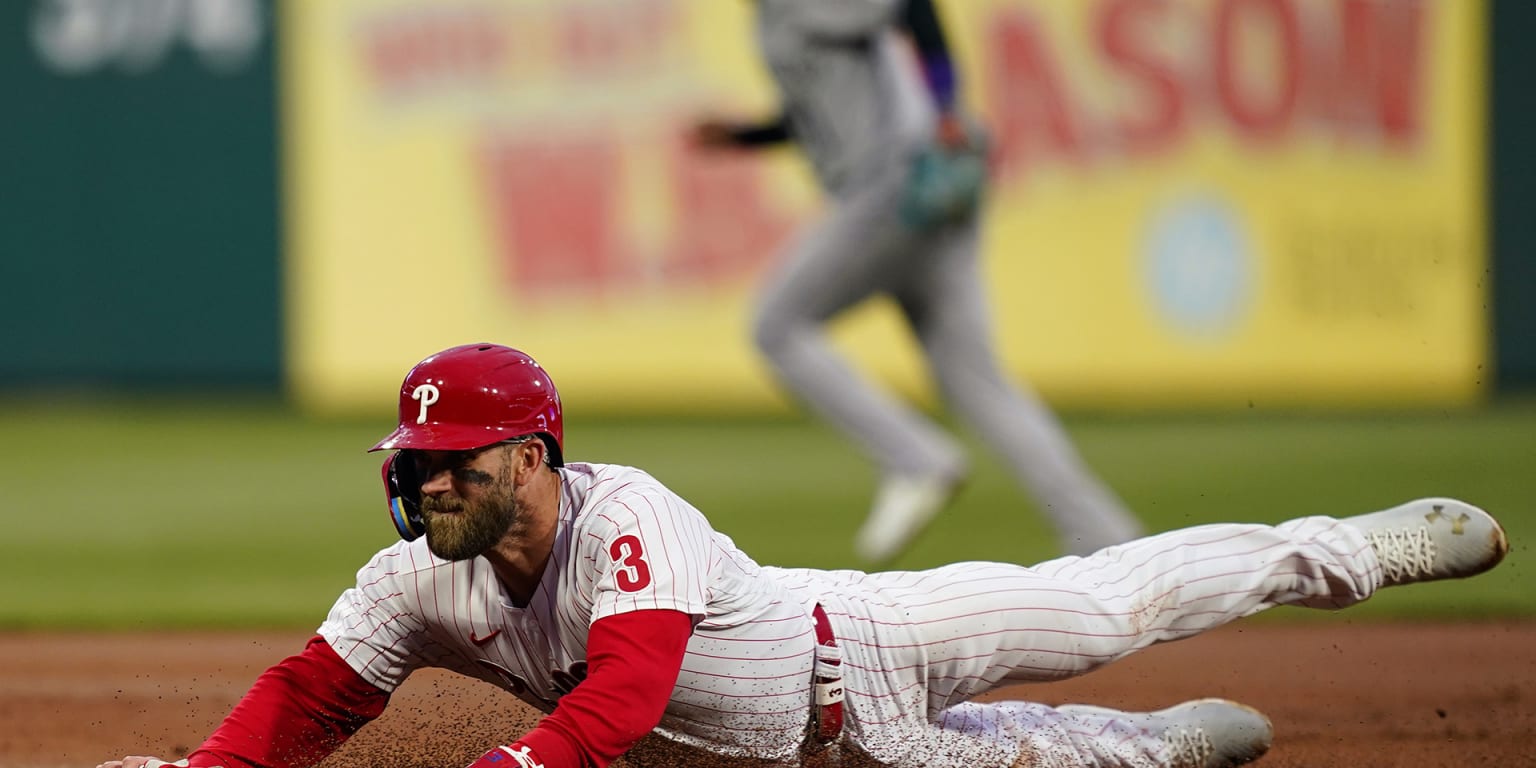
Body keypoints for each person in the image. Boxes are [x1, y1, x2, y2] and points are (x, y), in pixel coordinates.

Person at [98, 342, 1509, 768]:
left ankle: (1349, 550)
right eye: (412, 465)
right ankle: (1159, 751)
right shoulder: (414, 581)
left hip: (871, 637)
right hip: (837, 761)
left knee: (1104, 604)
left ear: (529, 456)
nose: (423, 483)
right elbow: (314, 693)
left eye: (450, 462)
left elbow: (624, 696)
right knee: (1079, 762)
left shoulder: (624, 515)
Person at [690, 0, 1144, 564]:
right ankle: (1111, 538)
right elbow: (820, 108)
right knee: (978, 385)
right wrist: (746, 136)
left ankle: (915, 458)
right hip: (920, 191)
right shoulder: (773, 16)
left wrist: (947, 104)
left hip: (895, 185)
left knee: (776, 326)